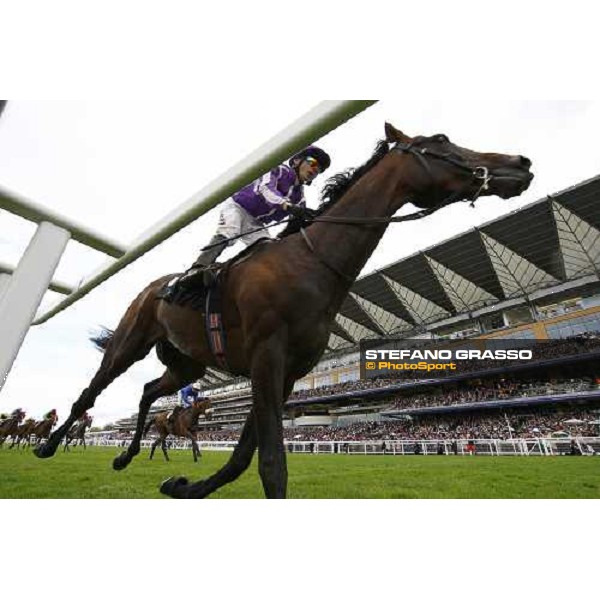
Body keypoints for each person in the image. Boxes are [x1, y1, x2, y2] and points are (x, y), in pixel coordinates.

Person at [175, 146, 331, 289]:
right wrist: (288, 206)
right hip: (237, 207)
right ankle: (196, 269)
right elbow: (265, 189)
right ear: (297, 160)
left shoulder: (300, 196)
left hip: (256, 222)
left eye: (319, 170)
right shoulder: (278, 170)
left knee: (267, 248)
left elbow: (298, 222)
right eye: (312, 162)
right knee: (230, 232)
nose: (314, 169)